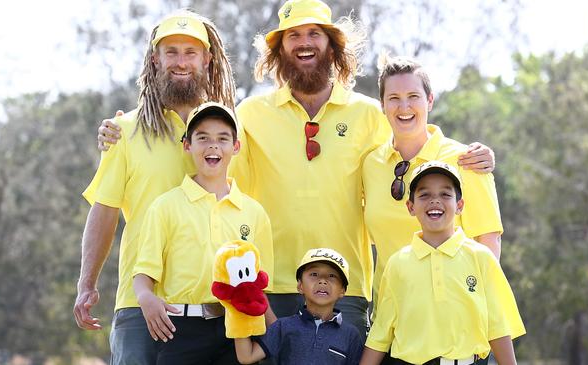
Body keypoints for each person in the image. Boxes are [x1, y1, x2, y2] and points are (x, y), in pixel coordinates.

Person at [96, 0, 494, 339]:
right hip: (267, 287)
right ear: (280, 50)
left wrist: (471, 155)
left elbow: (412, 150)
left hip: (346, 286)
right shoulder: (250, 115)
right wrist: (125, 129)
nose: (304, 43)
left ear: (332, 45)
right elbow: (204, 154)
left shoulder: (370, 115)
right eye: (293, 36)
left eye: (315, 34)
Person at [73, 10, 236, 364]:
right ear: (155, 58)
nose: (181, 62)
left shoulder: (230, 135)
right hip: (139, 305)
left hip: (216, 308)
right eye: (171, 51)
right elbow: (105, 210)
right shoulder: (125, 132)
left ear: (207, 59)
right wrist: (87, 283)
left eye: (191, 52)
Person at [132, 102, 274, 364]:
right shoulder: (165, 206)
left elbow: (260, 287)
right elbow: (144, 273)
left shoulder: (254, 213)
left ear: (236, 146)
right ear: (187, 145)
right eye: (203, 138)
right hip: (179, 330)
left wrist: (277, 332)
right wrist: (145, 298)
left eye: (222, 138)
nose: (213, 146)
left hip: (237, 331)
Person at [362, 55, 502, 305]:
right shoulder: (370, 164)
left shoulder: (466, 160)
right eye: (393, 98)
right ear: (382, 105)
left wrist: (484, 308)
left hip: (454, 313)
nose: (404, 107)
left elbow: (488, 240)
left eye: (413, 96)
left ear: (430, 100)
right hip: (391, 315)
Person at [360, 161, 525, 365]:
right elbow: (381, 332)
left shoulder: (481, 257)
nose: (435, 201)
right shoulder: (398, 263)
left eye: (445, 194)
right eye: (424, 195)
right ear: (411, 207)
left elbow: (498, 326)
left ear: (460, 205)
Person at [234, 248, 363, 365]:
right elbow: (246, 357)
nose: (323, 280)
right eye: (314, 274)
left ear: (342, 290)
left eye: (332, 276)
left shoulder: (351, 334)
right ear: (300, 286)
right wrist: (235, 309)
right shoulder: (282, 326)